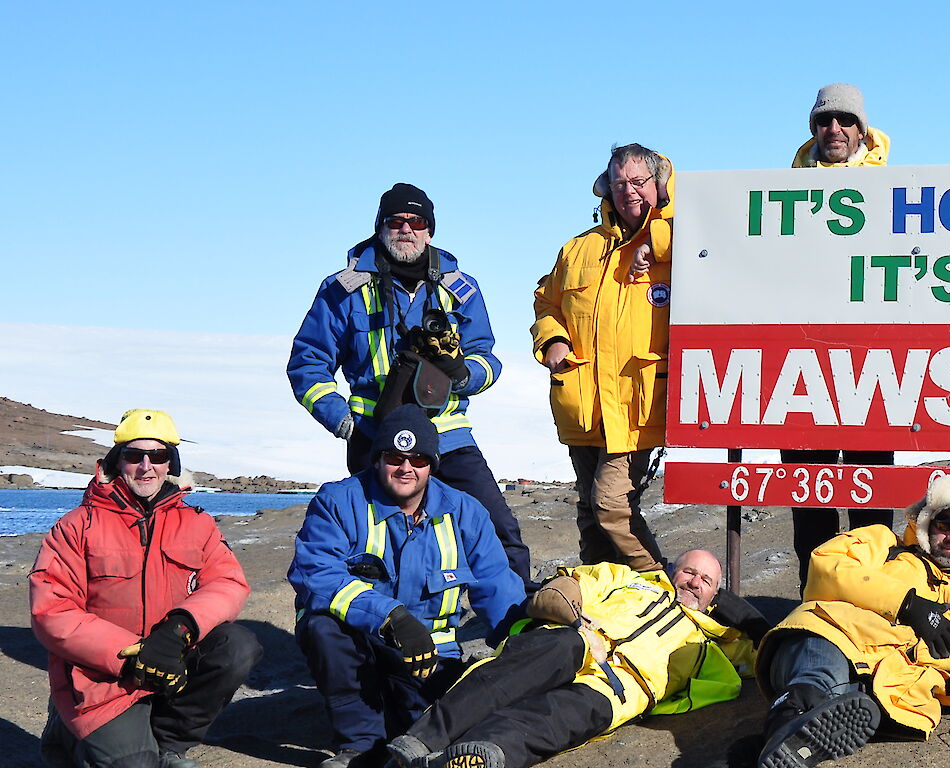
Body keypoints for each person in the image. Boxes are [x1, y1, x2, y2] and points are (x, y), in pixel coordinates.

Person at [288, 182, 532, 587]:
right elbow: (307, 362)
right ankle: (383, 627)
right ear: (380, 228)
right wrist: (342, 421)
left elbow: (487, 357)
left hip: (446, 433)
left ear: (430, 230)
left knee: (498, 527)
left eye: (416, 221)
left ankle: (519, 625)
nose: (406, 229)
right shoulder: (342, 289)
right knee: (374, 542)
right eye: (395, 221)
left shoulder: (460, 288)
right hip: (373, 434)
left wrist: (463, 374)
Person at [289, 405, 527, 768]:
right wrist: (392, 617)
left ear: (432, 464)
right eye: (394, 457)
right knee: (322, 626)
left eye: (418, 459)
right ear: (376, 459)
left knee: (437, 726)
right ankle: (358, 748)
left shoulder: (467, 512)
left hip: (429, 657)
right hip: (360, 645)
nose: (406, 468)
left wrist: (524, 646)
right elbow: (315, 574)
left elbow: (498, 590)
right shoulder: (337, 501)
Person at [753, 475, 950, 768]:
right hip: (836, 650)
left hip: (899, 693)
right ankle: (793, 723)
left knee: (847, 701)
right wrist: (905, 604)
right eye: (944, 523)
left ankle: (799, 735)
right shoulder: (884, 546)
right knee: (817, 643)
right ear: (926, 522)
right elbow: (823, 567)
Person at [382, 549, 770, 768]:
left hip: (614, 690)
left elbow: (770, 651)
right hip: (568, 644)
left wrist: (741, 614)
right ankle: (418, 742)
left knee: (556, 718)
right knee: (533, 663)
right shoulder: (626, 577)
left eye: (707, 581)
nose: (694, 583)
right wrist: (580, 628)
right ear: (672, 571)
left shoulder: (714, 642)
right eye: (689, 571)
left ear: (716, 597)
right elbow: (558, 591)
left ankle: (470, 759)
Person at [32, 410, 259, 768]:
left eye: (158, 456)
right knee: (133, 764)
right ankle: (67, 732)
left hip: (170, 662)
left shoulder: (197, 523)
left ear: (172, 463)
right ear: (116, 461)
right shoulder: (76, 526)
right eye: (134, 456)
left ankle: (168, 744)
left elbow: (227, 582)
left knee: (237, 646)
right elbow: (53, 611)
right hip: (104, 677)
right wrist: (131, 652)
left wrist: (180, 628)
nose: (146, 466)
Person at [532, 144, 676, 573]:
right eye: (619, 183)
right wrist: (552, 342)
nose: (629, 192)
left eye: (638, 182)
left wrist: (659, 240)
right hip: (581, 401)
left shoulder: (683, 242)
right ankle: (600, 593)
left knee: (610, 505)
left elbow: (720, 247)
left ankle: (661, 586)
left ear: (658, 184)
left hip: (638, 403)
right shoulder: (578, 249)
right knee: (589, 512)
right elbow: (546, 303)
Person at [782, 83, 898, 586]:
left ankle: (873, 603)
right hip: (800, 373)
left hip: (873, 372)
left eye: (846, 121)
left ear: (862, 130)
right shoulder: (781, 192)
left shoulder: (896, 189)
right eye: (824, 122)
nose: (835, 130)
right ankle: (816, 603)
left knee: (871, 506)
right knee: (809, 508)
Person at [792, 82, 890, 168]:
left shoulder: (887, 183)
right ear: (816, 131)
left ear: (860, 131)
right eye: (824, 120)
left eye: (845, 119)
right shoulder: (791, 182)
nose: (834, 129)